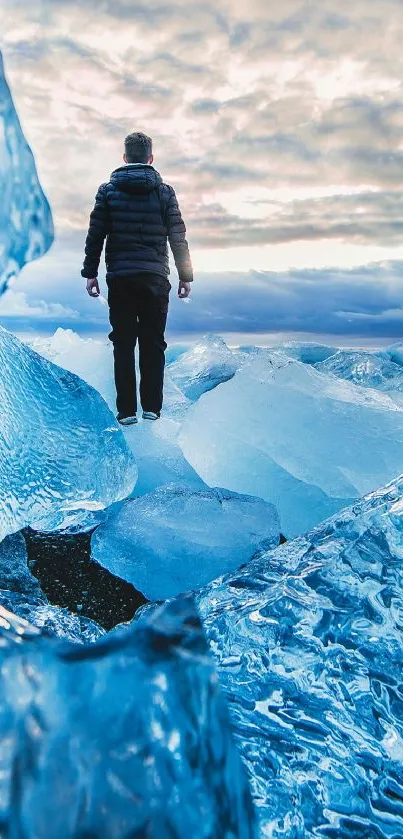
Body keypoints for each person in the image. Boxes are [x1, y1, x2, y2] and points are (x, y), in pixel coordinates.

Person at [81, 131, 193, 425]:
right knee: (153, 342)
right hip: (155, 278)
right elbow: (177, 237)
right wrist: (185, 275)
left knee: (123, 343)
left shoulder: (107, 191)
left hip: (120, 277)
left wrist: (90, 273)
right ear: (150, 158)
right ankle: (152, 408)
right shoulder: (165, 192)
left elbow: (96, 235)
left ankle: (126, 411)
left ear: (125, 158)